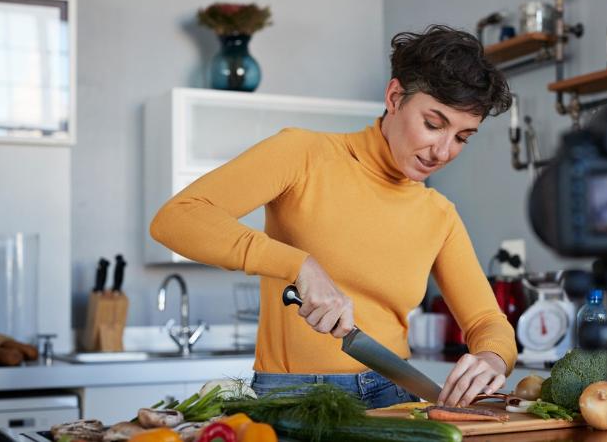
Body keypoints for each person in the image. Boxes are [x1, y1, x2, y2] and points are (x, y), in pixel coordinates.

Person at [150, 24, 517, 409]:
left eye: (462, 137)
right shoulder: (304, 155)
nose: (442, 151)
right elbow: (177, 218)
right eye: (433, 124)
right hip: (291, 399)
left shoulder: (439, 215)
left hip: (395, 397)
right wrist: (299, 264)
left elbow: (487, 323)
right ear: (395, 97)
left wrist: (492, 357)